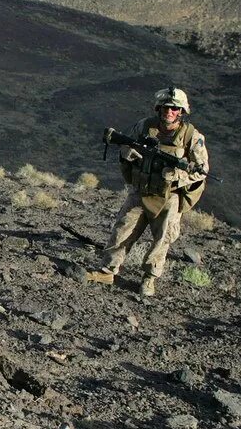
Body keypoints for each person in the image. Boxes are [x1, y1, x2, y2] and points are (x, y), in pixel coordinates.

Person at [87, 87, 209, 296]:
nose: (168, 112)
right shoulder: (144, 127)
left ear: (181, 111)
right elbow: (125, 147)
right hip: (140, 190)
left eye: (174, 109)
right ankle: (108, 270)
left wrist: (177, 176)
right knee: (122, 229)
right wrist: (129, 153)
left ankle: (149, 279)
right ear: (158, 108)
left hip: (168, 196)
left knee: (162, 239)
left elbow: (202, 171)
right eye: (165, 108)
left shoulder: (191, 136)